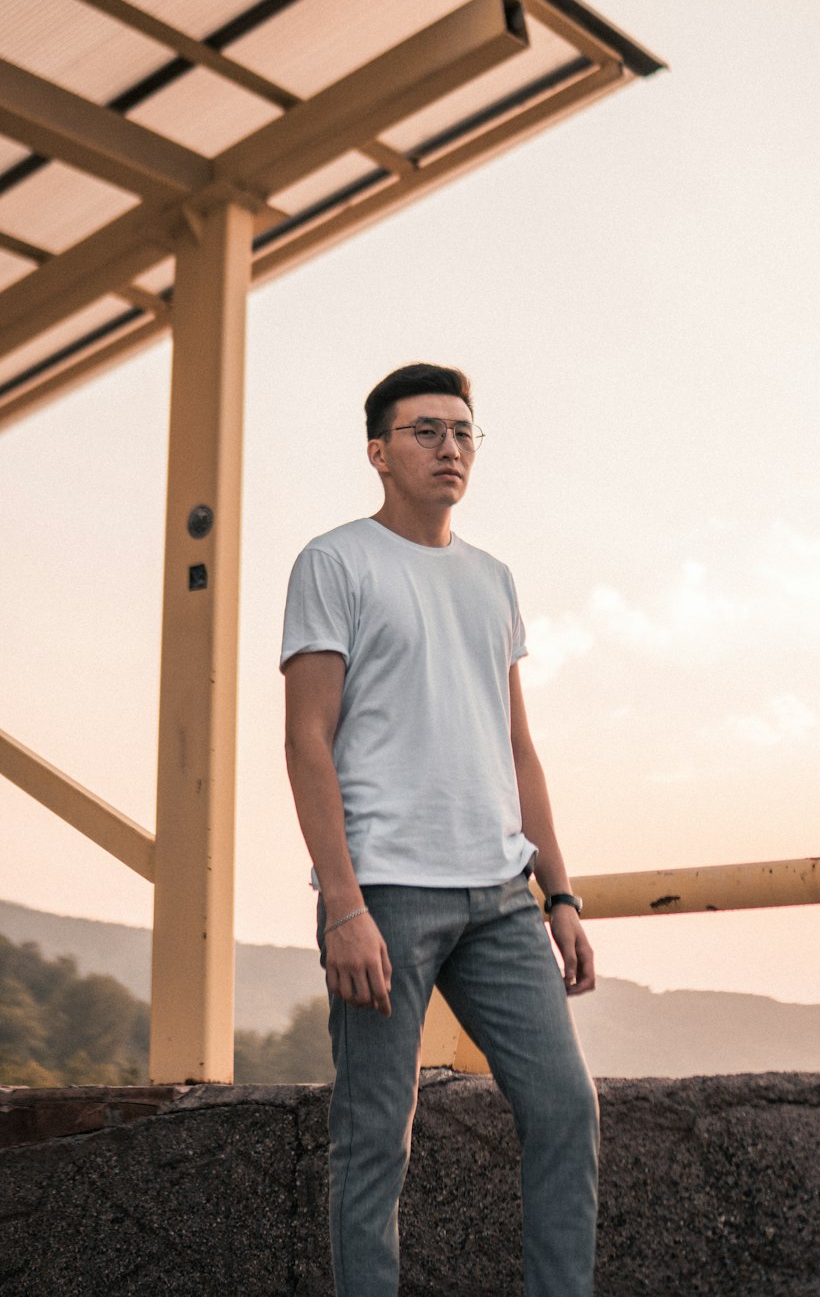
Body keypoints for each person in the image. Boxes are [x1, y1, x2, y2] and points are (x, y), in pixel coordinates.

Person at [280, 362, 599, 1296]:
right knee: (376, 1137)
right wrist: (343, 904)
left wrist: (562, 894)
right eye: (425, 431)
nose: (449, 447)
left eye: (462, 431)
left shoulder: (492, 579)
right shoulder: (333, 562)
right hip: (385, 893)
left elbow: (519, 750)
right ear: (379, 452)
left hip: (501, 899)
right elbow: (307, 741)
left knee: (565, 1107)